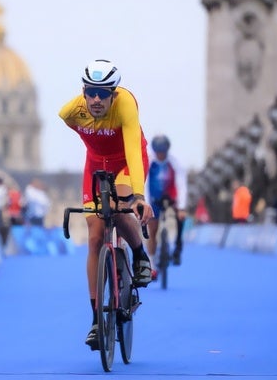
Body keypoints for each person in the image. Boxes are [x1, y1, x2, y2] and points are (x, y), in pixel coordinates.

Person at [58, 59, 153, 350]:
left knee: (120, 204)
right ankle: (97, 319)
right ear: (83, 92)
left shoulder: (125, 104)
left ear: (114, 93)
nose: (96, 99)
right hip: (96, 166)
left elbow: (133, 153)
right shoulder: (70, 112)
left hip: (127, 161)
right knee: (95, 236)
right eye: (91, 92)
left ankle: (139, 255)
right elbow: (87, 140)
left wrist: (137, 195)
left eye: (103, 93)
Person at [146, 135, 188, 280]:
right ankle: (152, 265)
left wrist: (181, 207)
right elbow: (144, 184)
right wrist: (146, 204)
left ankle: (177, 247)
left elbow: (181, 185)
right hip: (153, 199)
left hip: (171, 198)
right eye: (158, 152)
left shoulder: (174, 162)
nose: (161, 155)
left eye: (163, 152)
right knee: (152, 231)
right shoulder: (149, 162)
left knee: (181, 215)